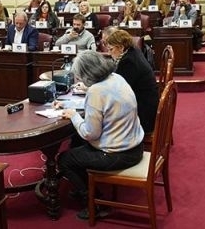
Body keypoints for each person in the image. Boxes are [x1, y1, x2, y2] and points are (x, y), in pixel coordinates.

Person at [56, 51, 144, 220]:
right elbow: (106, 98)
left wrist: (73, 115)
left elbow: (90, 134)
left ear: (86, 74)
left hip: (118, 154)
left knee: (65, 159)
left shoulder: (96, 91)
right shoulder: (116, 77)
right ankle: (83, 187)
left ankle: (94, 203)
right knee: (75, 142)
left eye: (79, 76)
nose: (78, 79)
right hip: (134, 145)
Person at [103, 29, 159, 135]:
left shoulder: (129, 62)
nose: (109, 53)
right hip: (146, 105)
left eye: (111, 49)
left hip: (142, 116)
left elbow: (118, 91)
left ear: (121, 47)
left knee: (103, 116)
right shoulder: (133, 51)